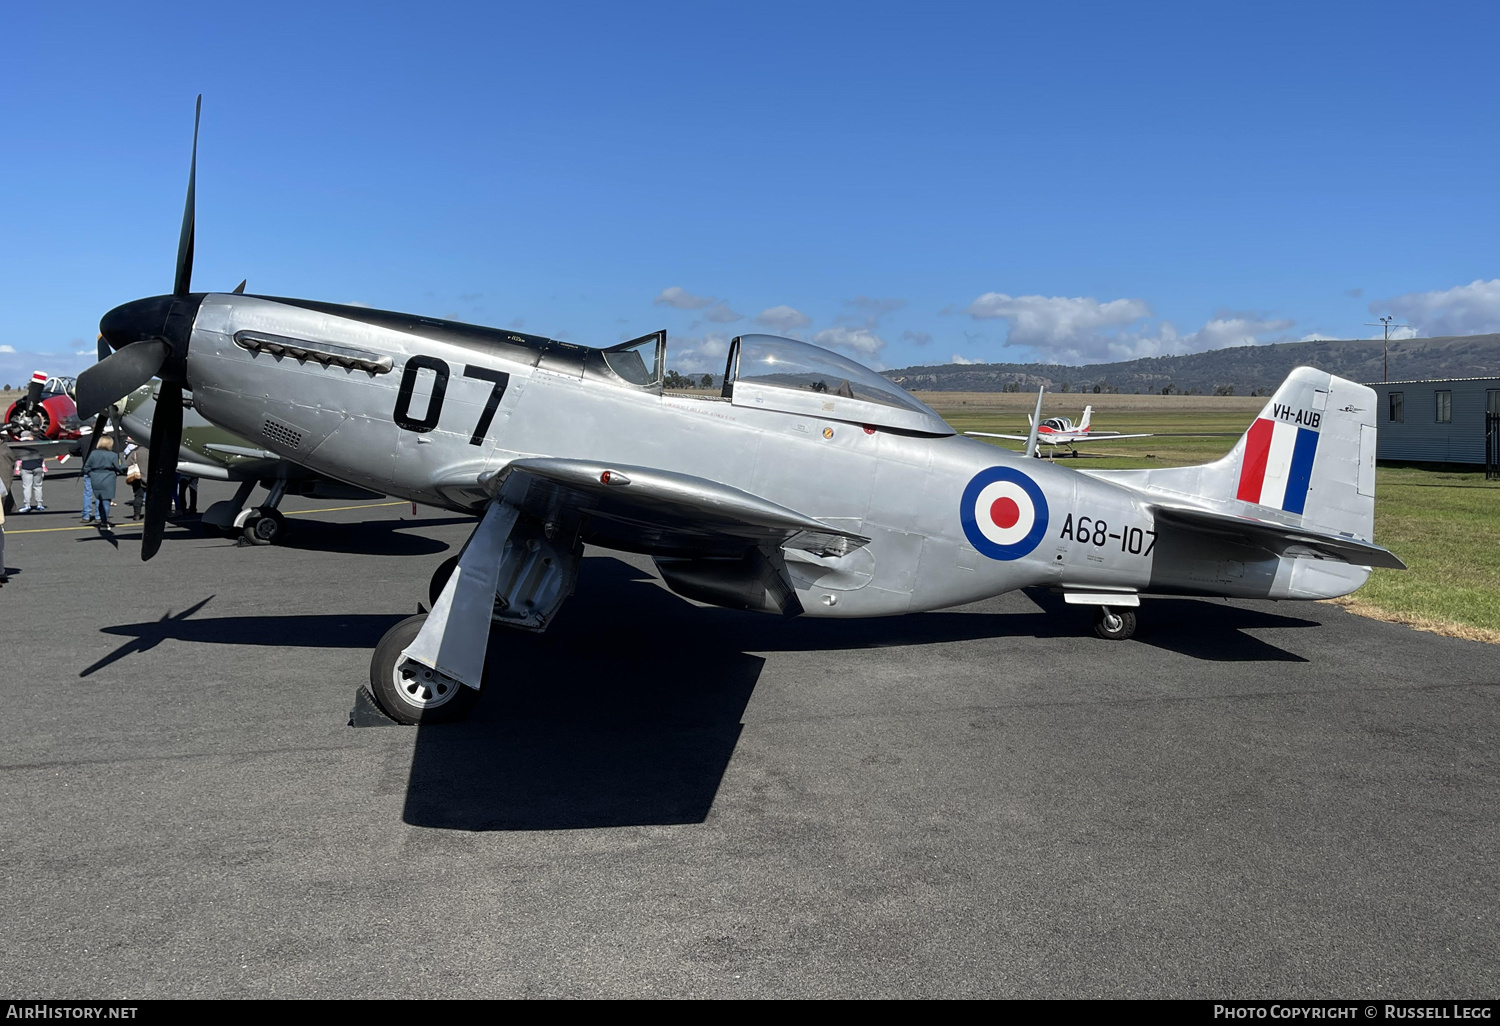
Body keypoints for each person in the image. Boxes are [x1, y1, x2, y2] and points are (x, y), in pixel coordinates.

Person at [83, 436, 125, 531]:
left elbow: (86, 467)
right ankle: (104, 521)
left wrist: (92, 474)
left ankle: (102, 519)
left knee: (100, 499)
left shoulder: (93, 454)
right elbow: (120, 467)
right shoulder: (113, 455)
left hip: (95, 478)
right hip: (108, 478)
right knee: (106, 501)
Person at [15, 431, 45, 512]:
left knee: (27, 487)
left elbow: (18, 457)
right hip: (38, 466)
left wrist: (17, 468)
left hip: (26, 467)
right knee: (38, 486)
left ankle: (27, 505)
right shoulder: (38, 443)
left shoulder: (20, 445)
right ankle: (40, 504)